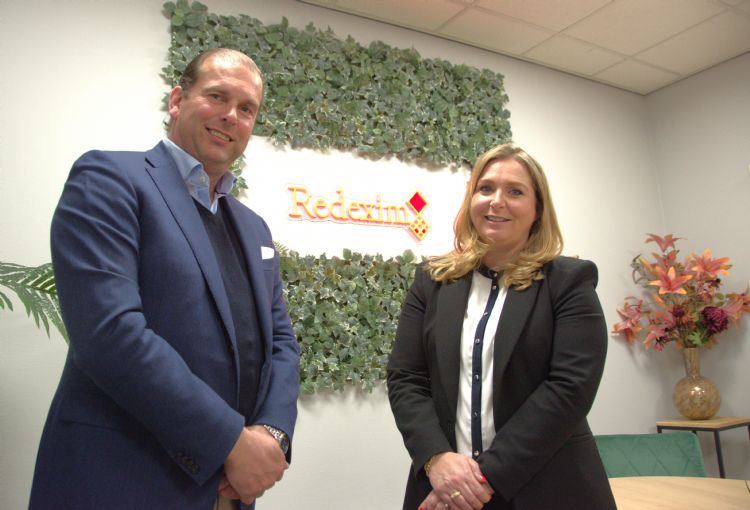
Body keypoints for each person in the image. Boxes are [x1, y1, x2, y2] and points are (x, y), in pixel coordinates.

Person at [29, 48, 300, 510]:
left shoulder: (253, 227)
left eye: (246, 108)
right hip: (122, 478)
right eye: (217, 96)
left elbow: (281, 342)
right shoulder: (109, 179)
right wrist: (231, 442)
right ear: (177, 100)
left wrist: (271, 435)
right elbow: (111, 334)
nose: (231, 116)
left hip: (227, 490)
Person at [387, 143, 616, 510]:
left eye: (515, 192)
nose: (497, 201)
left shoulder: (569, 281)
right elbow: (406, 377)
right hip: (446, 488)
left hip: (548, 488)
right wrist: (435, 458)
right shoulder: (431, 281)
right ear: (471, 200)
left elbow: (569, 388)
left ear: (538, 210)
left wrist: (484, 477)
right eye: (486, 188)